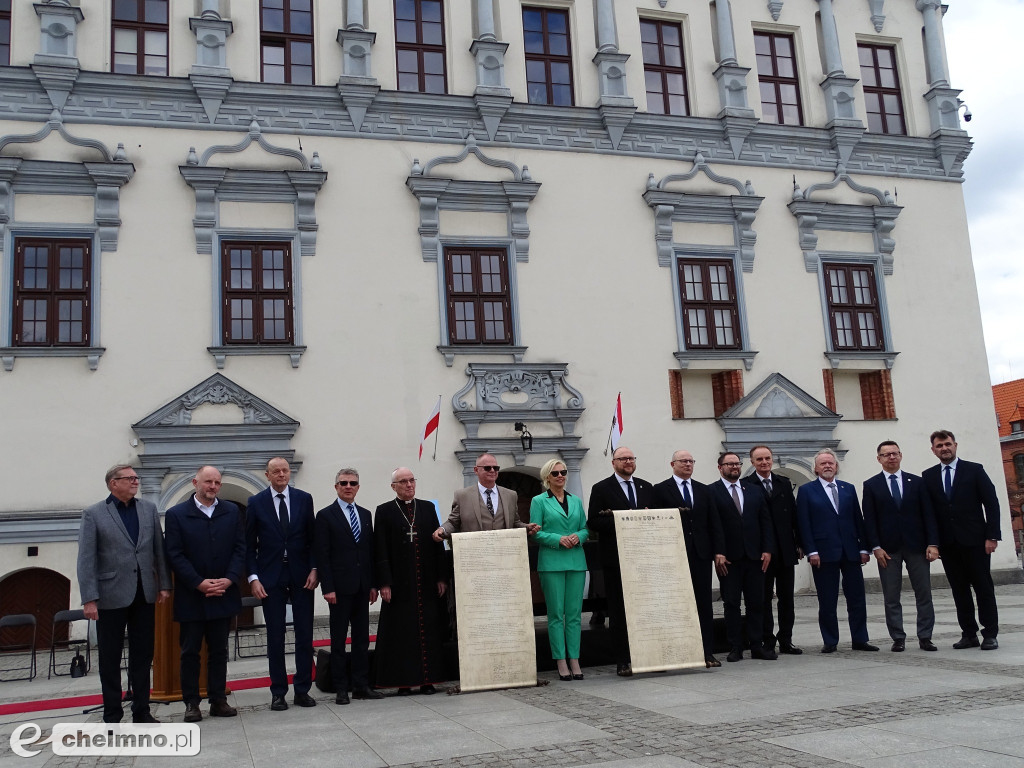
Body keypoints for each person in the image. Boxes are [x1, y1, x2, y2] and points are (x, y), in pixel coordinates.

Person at [77, 464, 172, 724]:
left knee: (143, 655)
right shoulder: (94, 514)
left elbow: (158, 550)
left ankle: (142, 711)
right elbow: (86, 559)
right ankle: (112, 713)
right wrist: (89, 598)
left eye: (136, 478)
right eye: (129, 478)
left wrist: (164, 584)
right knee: (110, 657)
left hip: (144, 593)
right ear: (113, 483)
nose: (135, 482)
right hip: (109, 595)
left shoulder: (148, 509)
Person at [164, 466, 246, 722]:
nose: (212, 486)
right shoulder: (177, 514)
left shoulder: (231, 511)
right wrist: (198, 583)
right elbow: (174, 554)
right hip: (192, 596)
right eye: (208, 482)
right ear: (195, 483)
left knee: (219, 651)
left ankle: (218, 699)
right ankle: (191, 702)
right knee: (190, 652)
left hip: (223, 593)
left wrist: (230, 579)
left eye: (217, 482)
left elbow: (240, 549)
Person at [245, 457, 318, 710]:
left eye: (285, 470)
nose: (281, 474)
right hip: (270, 577)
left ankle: (302, 689)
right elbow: (249, 545)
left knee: (305, 635)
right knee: (275, 636)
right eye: (276, 471)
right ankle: (278, 692)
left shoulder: (303, 499)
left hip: (301, 575)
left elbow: (313, 539)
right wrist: (253, 578)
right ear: (267, 475)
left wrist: (314, 569)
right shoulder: (255, 503)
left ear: (289, 473)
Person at [922, 430, 1001, 650]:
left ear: (955, 445)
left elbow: (991, 504)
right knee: (959, 590)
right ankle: (969, 633)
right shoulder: (928, 476)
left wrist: (992, 536)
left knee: (983, 588)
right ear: (933, 450)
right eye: (939, 446)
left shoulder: (974, 470)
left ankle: (990, 633)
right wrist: (933, 542)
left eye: (947, 444)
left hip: (976, 541)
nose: (944, 448)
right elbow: (929, 513)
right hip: (949, 544)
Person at [373, 467, 449, 695]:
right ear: (393, 486)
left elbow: (438, 546)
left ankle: (428, 680)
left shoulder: (427, 508)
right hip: (399, 585)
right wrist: (384, 583)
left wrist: (441, 577)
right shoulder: (384, 511)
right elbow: (381, 549)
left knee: (429, 631)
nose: (409, 485)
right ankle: (403, 682)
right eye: (403, 481)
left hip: (426, 582)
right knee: (401, 634)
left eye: (411, 480)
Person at [862, 441, 940, 652]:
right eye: (886, 454)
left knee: (924, 593)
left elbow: (929, 515)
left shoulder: (917, 482)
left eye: (894, 453)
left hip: (918, 547)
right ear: (879, 458)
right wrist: (875, 547)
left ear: (901, 455)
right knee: (891, 596)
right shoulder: (871, 485)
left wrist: (933, 543)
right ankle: (898, 637)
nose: (891, 457)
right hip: (888, 550)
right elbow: (869, 520)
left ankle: (925, 636)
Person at [796, 449, 876, 653]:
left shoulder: (848, 488)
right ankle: (830, 640)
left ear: (836, 465)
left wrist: (864, 547)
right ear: (815, 468)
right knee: (827, 600)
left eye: (830, 463)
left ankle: (860, 639)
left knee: (857, 598)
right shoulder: (806, 491)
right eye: (823, 463)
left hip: (851, 552)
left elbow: (858, 520)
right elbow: (804, 523)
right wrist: (811, 550)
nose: (827, 466)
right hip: (823, 553)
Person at [315, 468, 383, 704]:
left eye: (353, 483)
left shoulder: (365, 514)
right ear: (336, 487)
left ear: (358, 487)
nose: (348, 486)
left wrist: (373, 584)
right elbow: (322, 555)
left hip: (363, 587)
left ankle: (361, 685)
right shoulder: (325, 516)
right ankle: (341, 688)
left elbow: (369, 552)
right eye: (343, 483)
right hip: (339, 589)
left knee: (362, 639)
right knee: (338, 640)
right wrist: (328, 588)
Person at [652, 450, 724, 668]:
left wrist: (718, 550)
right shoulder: (660, 490)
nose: (688, 464)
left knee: (703, 604)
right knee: (674, 605)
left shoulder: (704, 490)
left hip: (701, 554)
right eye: (683, 461)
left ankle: (707, 652)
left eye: (691, 461)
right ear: (672, 463)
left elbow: (715, 522)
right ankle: (675, 652)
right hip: (673, 555)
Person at [587, 445, 653, 677]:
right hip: (616, 560)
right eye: (623, 458)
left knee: (645, 610)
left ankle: (648, 656)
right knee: (620, 612)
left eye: (631, 458)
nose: (628, 462)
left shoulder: (646, 487)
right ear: (613, 462)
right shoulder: (602, 488)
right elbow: (594, 522)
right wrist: (625, 521)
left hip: (643, 560)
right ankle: (623, 660)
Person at [708, 452, 775, 662]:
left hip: (755, 557)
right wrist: (717, 552)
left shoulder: (754, 490)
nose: (735, 467)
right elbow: (713, 525)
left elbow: (765, 521)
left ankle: (756, 645)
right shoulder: (711, 491)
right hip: (728, 559)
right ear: (720, 468)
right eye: (730, 464)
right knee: (732, 604)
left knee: (756, 603)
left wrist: (767, 549)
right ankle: (736, 646)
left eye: (737, 464)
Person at [531, 459, 589, 681]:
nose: (560, 476)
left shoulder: (575, 501)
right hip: (552, 562)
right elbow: (535, 532)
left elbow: (585, 528)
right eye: (555, 473)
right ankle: (561, 661)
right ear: (547, 477)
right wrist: (558, 539)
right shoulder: (539, 501)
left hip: (576, 561)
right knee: (556, 615)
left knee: (574, 615)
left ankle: (574, 658)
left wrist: (578, 536)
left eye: (563, 472)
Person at [743, 445, 803, 655]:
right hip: (762, 552)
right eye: (759, 459)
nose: (764, 462)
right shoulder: (746, 485)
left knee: (787, 598)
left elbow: (794, 516)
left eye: (767, 458)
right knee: (764, 598)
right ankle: (767, 639)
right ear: (752, 462)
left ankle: (786, 639)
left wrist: (799, 543)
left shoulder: (784, 483)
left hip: (786, 549)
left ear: (772, 460)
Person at [432, 453, 537, 540]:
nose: (492, 470)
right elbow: (453, 523)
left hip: (504, 553)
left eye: (495, 468)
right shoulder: (462, 496)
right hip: (476, 553)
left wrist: (526, 527)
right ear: (476, 470)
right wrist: (442, 530)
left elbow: (515, 523)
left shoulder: (510, 495)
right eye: (487, 468)